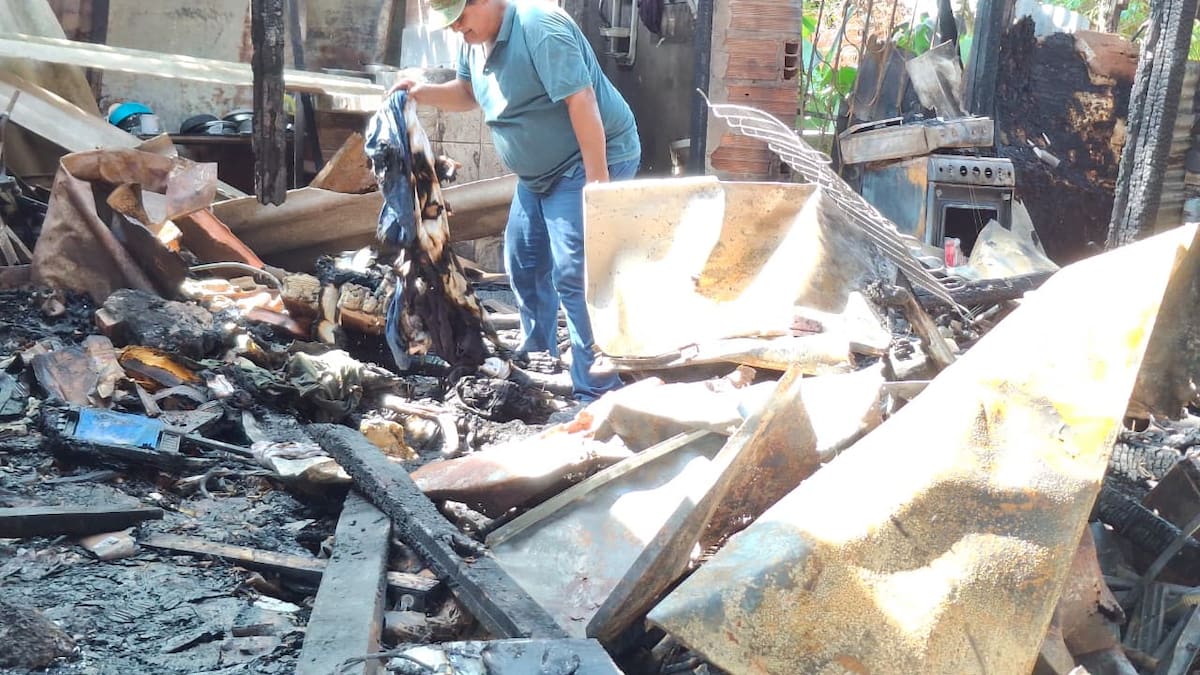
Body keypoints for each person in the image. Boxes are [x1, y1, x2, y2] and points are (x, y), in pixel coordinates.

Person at [390, 0, 641, 402]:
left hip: (589, 157)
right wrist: (423, 93)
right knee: (523, 261)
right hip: (538, 173)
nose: (455, 29)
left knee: (575, 272)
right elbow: (468, 91)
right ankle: (540, 349)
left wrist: (598, 189)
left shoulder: (540, 27)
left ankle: (597, 385)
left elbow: (583, 102)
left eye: (460, 19)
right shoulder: (474, 37)